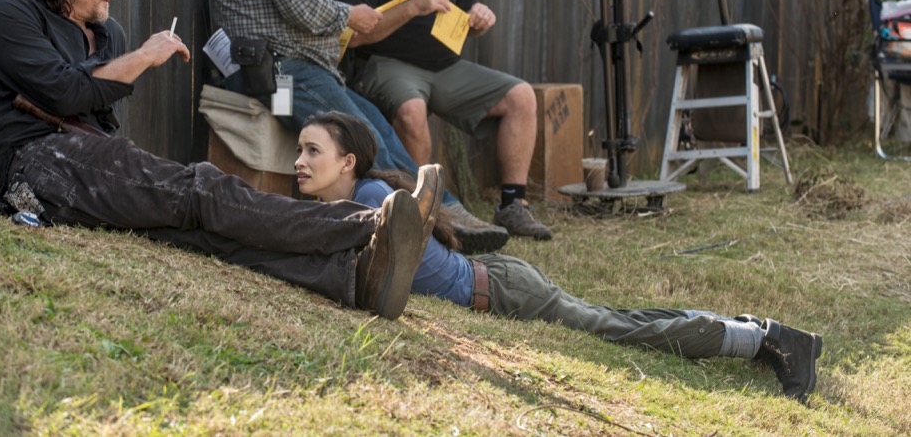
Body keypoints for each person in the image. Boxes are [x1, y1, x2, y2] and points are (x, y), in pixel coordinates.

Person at [0, 0, 445, 321]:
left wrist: (123, 61)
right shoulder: (13, 15)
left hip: (82, 163)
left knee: (203, 234)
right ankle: (370, 224)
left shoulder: (105, 34)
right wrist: (143, 56)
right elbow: (65, 92)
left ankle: (355, 278)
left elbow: (93, 107)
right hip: (37, 162)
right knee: (203, 188)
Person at [293, 111, 825, 404]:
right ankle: (758, 333)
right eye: (299, 150)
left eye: (312, 151)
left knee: (617, 329)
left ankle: (766, 338)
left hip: (502, 291)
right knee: (618, 320)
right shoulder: (358, 202)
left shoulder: (368, 203)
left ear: (348, 161)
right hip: (500, 278)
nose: (299, 161)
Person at [207, 0, 509, 254]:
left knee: (376, 129)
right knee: (362, 141)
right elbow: (303, 6)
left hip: (289, 68)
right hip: (276, 74)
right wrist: (351, 15)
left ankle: (440, 213)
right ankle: (429, 227)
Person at [336, 0, 551, 241]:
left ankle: (513, 206)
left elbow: (465, 7)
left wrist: (479, 15)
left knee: (520, 95)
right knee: (412, 112)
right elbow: (353, 38)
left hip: (445, 66)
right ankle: (426, 213)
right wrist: (412, 7)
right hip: (386, 64)